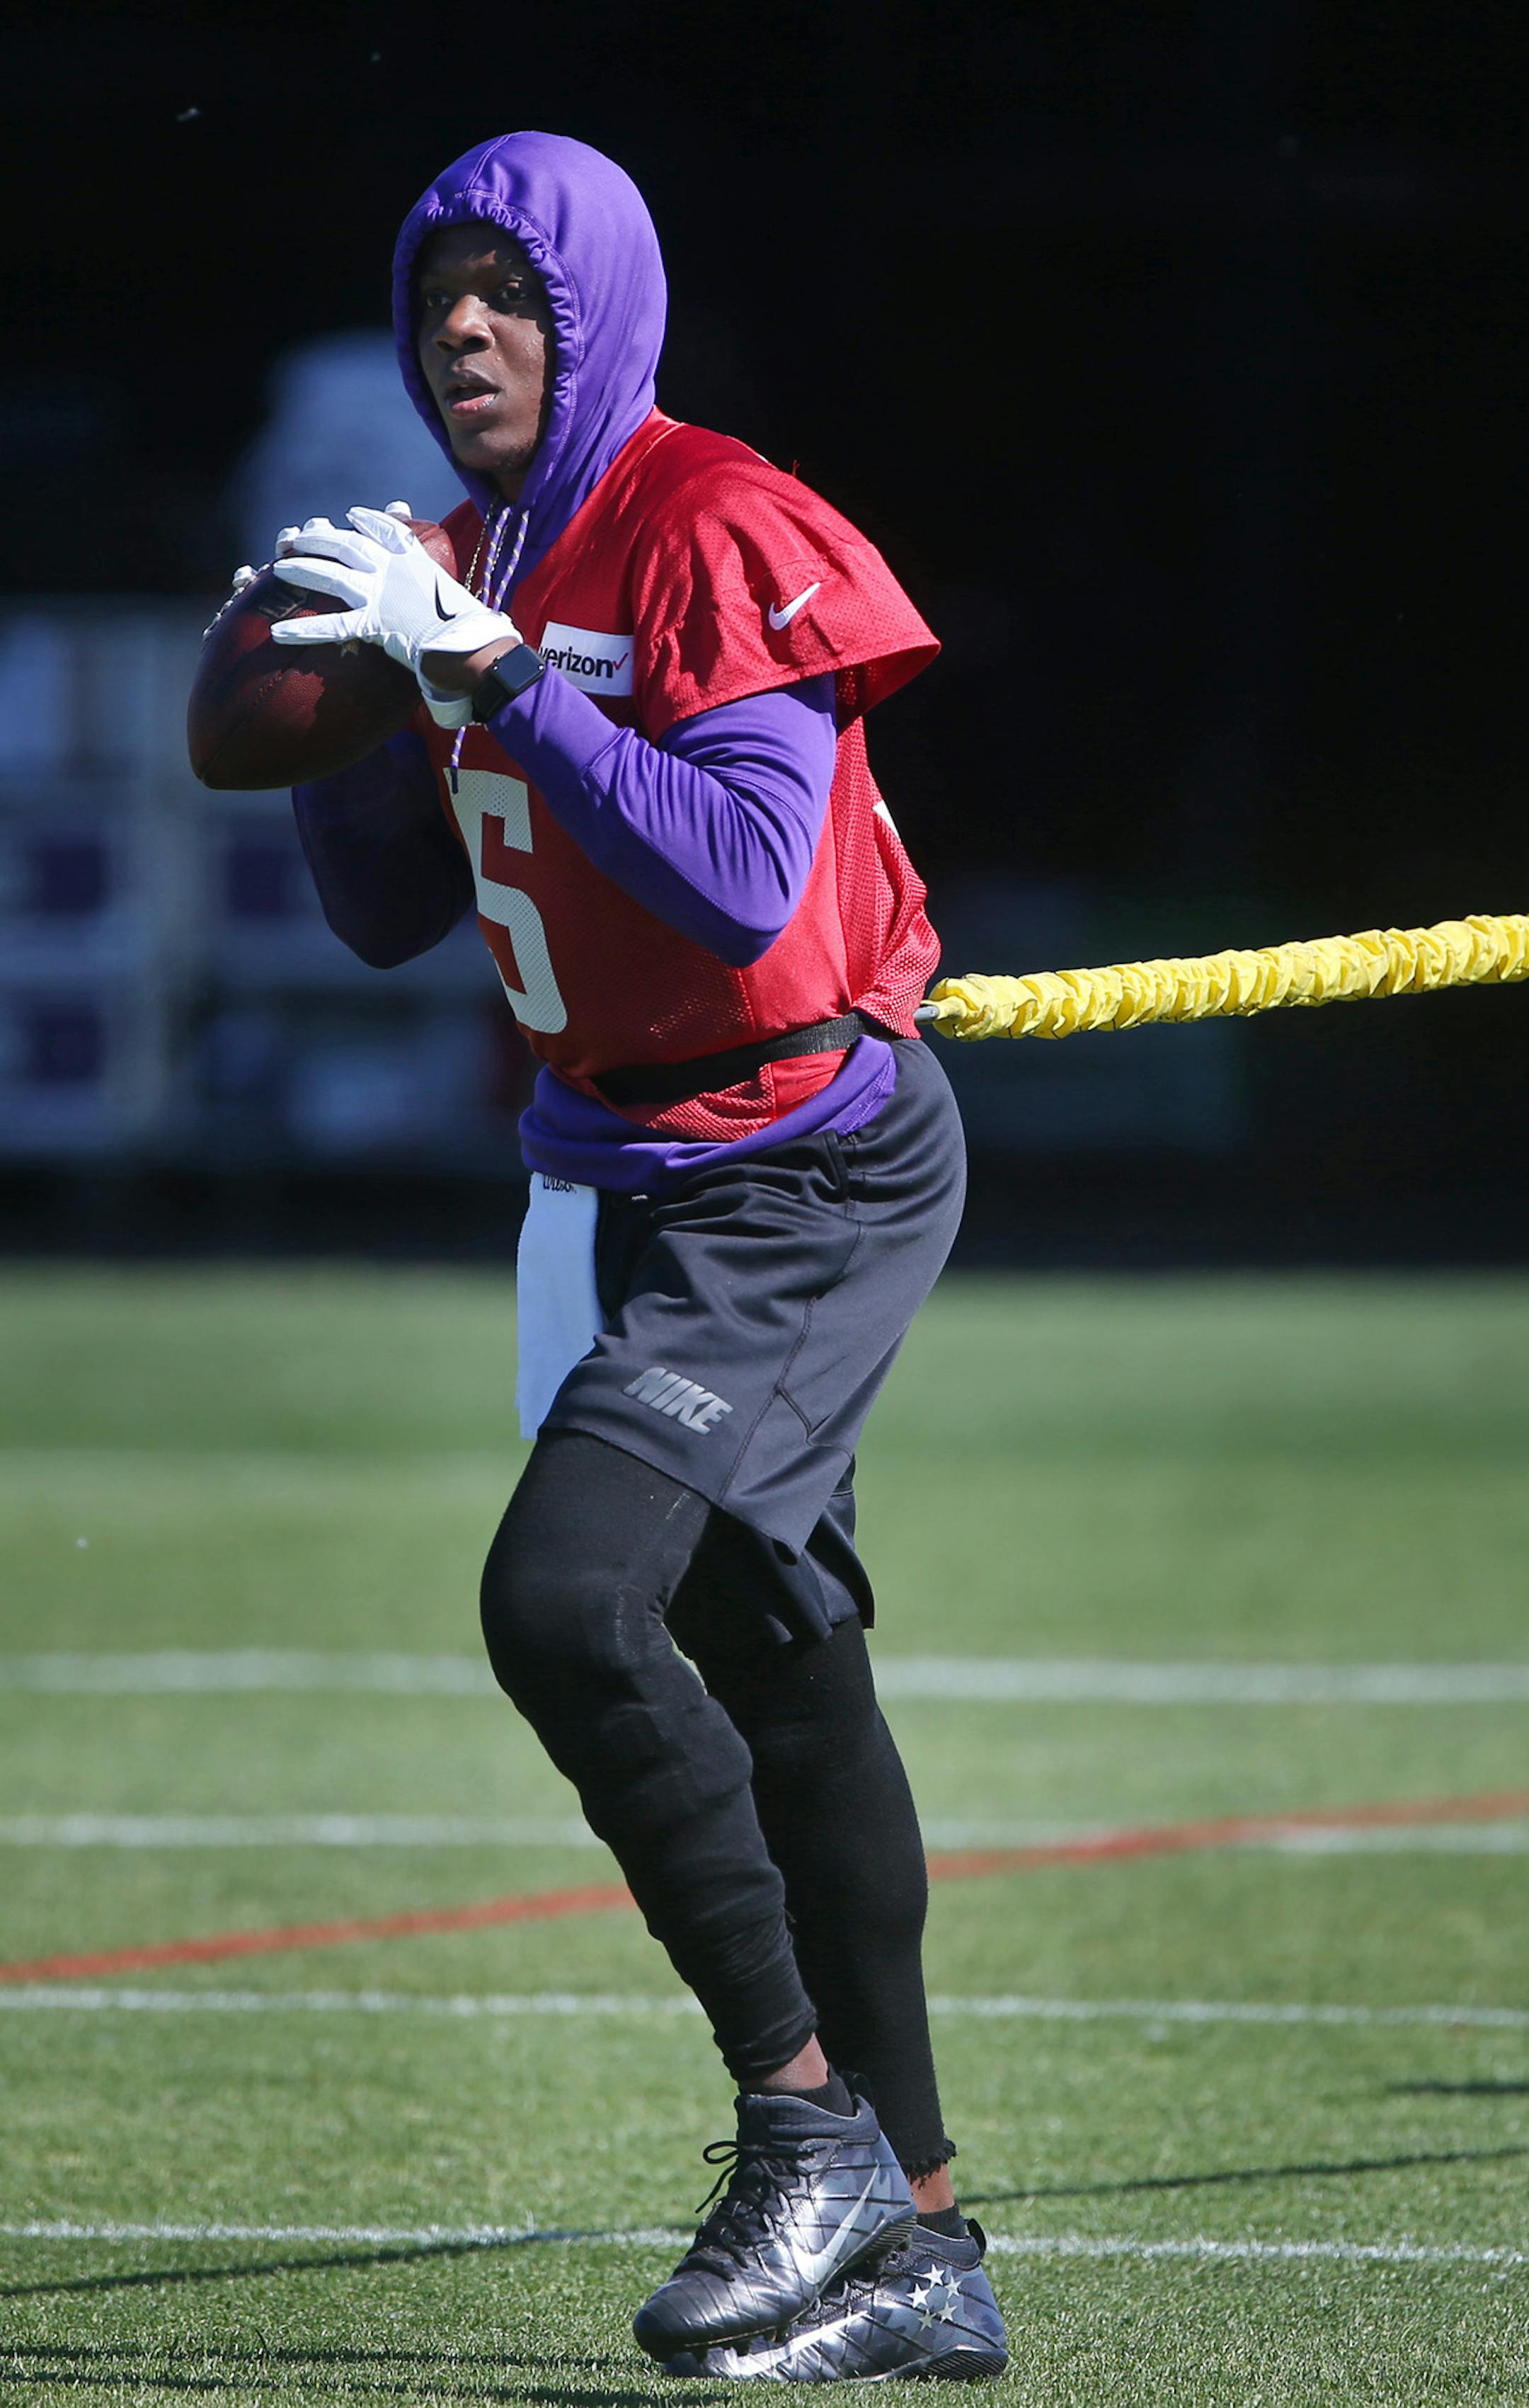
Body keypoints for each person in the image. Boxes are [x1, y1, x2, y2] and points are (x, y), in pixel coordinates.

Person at [265, 130, 1008, 2383]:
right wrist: (342, 692)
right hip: (611, 1172)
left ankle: (809, 2143)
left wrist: (489, 677)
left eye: (511, 292)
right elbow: (387, 911)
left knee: (563, 1600)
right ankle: (932, 2253)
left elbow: (738, 869)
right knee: (783, 1669)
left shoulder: (716, 522)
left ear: (600, 307)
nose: (464, 332)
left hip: (800, 1162)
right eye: (434, 300)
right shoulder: (459, 553)